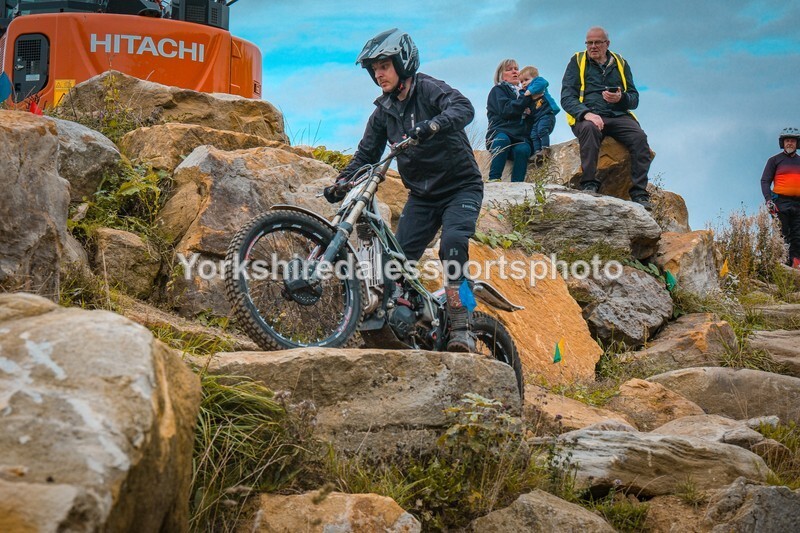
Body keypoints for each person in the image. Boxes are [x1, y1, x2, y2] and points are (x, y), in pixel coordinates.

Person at [323, 28, 484, 352]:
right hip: (422, 197)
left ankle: (463, 324)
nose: (378, 74)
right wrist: (342, 182)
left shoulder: (429, 89)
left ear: (403, 62)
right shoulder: (384, 111)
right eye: (374, 69)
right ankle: (409, 322)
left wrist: (433, 125)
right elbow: (366, 155)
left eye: (384, 66)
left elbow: (463, 108)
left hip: (460, 188)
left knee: (453, 245)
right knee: (393, 264)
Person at [560, 26, 654, 210]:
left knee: (639, 138)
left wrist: (621, 98)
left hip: (618, 115)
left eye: (597, 42)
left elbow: (634, 99)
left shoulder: (620, 63)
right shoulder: (577, 61)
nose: (593, 46)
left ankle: (639, 194)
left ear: (607, 43)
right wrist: (586, 114)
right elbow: (567, 97)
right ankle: (589, 184)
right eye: (589, 43)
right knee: (589, 129)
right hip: (588, 115)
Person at [485, 59, 535, 182]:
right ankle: (494, 179)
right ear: (501, 75)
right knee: (502, 140)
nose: (514, 72)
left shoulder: (527, 93)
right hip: (501, 132)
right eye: (509, 69)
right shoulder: (498, 90)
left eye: (516, 69)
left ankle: (517, 186)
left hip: (521, 137)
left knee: (523, 149)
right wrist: (525, 99)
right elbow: (507, 110)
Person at [761, 127, 800, 268]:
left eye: (792, 141)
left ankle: (796, 265)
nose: (790, 143)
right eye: (787, 140)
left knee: (798, 236)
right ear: (782, 143)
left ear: (797, 143)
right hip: (780, 202)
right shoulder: (774, 160)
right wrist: (768, 200)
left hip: (798, 204)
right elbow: (765, 181)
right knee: (781, 234)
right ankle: (780, 265)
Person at [519, 65, 560, 165]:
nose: (524, 83)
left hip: (547, 114)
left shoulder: (538, 83)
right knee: (533, 134)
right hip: (537, 117)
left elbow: (543, 83)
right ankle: (537, 152)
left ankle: (545, 148)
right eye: (521, 81)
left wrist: (530, 91)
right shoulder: (524, 93)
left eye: (526, 80)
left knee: (542, 130)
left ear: (534, 78)